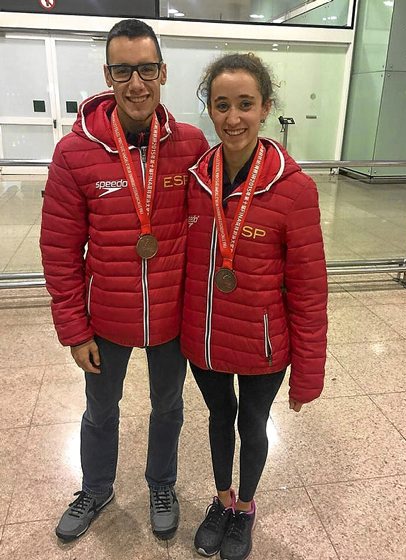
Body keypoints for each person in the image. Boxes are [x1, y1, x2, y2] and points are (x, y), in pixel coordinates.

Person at [40, 18, 209, 543]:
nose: (136, 83)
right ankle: (96, 488)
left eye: (146, 69)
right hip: (106, 317)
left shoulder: (191, 144)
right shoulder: (74, 153)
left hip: (172, 316)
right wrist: (75, 330)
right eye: (123, 71)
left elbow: (209, 228)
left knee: (169, 406)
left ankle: (161, 484)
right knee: (99, 409)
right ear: (107, 75)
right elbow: (60, 250)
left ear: (163, 72)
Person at [180, 53, 328, 560]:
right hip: (204, 338)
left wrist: (308, 373)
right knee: (219, 418)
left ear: (266, 107)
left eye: (245, 104)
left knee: (252, 424)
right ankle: (221, 499)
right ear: (210, 109)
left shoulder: (295, 189)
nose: (233, 117)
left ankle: (244, 507)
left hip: (263, 344)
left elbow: (309, 290)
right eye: (222, 105)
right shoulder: (195, 180)